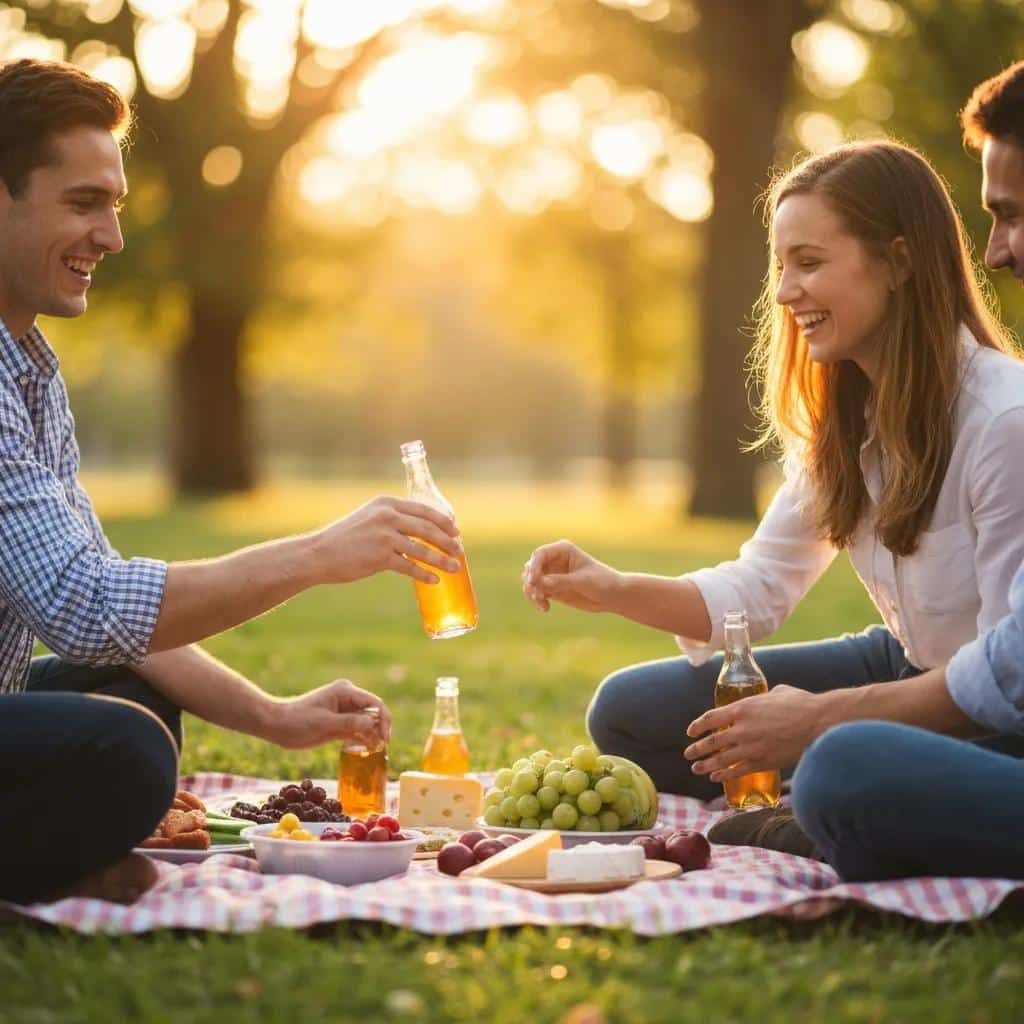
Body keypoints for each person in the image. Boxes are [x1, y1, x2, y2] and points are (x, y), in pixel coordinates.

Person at [0, 59, 464, 905]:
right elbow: (83, 605)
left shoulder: (27, 368)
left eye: (113, 204)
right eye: (82, 203)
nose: (112, 237)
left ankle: (61, 857)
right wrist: (321, 554)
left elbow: (108, 620)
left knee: (125, 695)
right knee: (125, 751)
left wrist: (276, 718)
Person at [522, 136, 1024, 879]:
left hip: (999, 712)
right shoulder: (849, 419)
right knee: (632, 711)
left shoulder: (1003, 420)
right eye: (781, 265)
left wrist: (825, 719)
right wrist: (612, 589)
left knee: (843, 767)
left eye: (810, 263)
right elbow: (755, 589)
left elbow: (1005, 676)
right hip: (910, 660)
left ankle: (820, 809)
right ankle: (836, 805)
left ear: (899, 261)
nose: (785, 293)